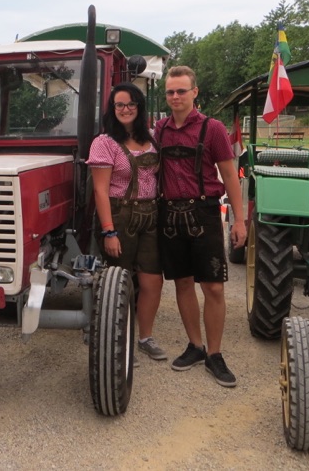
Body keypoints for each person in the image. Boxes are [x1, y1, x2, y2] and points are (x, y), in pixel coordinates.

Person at [154, 65, 246, 387]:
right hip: (169, 215)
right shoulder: (159, 130)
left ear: (195, 92)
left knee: (214, 287)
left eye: (181, 90)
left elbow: (230, 175)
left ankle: (215, 354)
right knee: (182, 283)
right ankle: (195, 346)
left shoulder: (213, 129)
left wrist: (239, 220)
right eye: (170, 91)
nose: (175, 96)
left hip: (204, 213)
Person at [88, 82, 166, 366]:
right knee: (119, 283)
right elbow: (100, 191)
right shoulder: (104, 142)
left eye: (131, 103)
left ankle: (145, 338)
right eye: (119, 104)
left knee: (152, 280)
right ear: (112, 108)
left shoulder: (152, 138)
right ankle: (118, 342)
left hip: (151, 215)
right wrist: (109, 231)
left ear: (139, 107)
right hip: (120, 215)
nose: (125, 109)